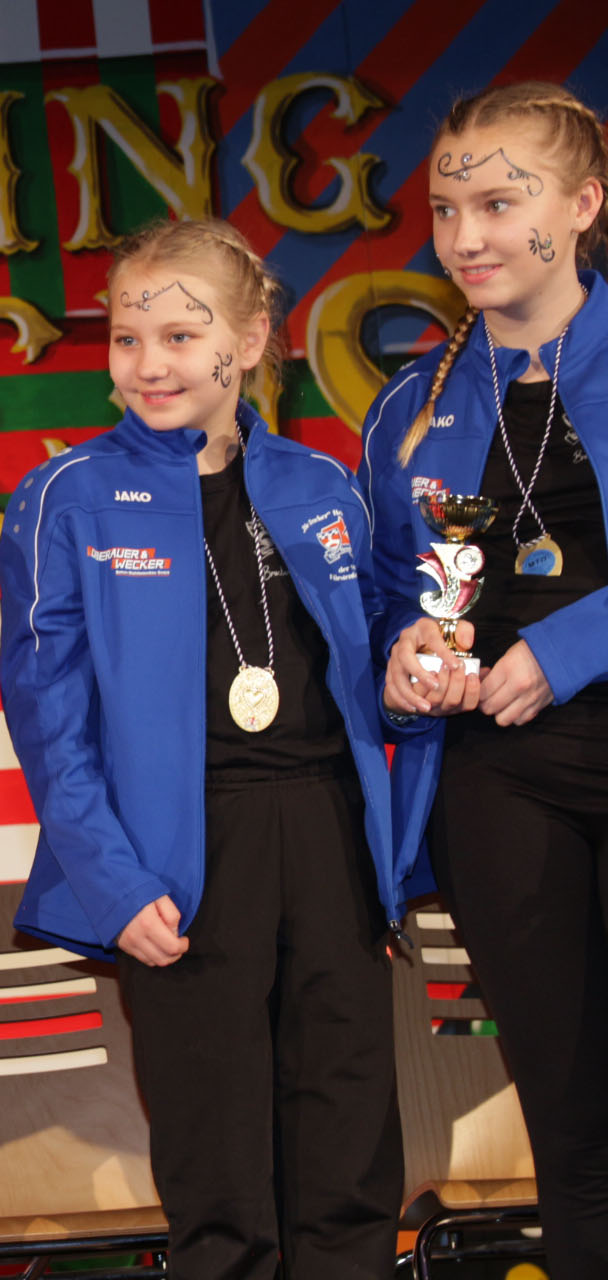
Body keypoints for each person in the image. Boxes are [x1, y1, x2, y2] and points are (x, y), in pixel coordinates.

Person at [0, 218, 428, 1279]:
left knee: (349, 1159)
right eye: (126, 338)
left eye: (180, 337)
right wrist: (113, 883)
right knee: (221, 1175)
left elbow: (376, 676)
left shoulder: (323, 486)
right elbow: (48, 723)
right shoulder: (65, 497)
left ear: (248, 339)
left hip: (327, 840)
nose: (149, 364)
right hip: (175, 865)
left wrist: (415, 674)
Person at [360, 80, 608, 1274]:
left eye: (501, 203)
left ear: (583, 204)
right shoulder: (411, 407)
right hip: (499, 784)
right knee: (570, 1115)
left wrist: (564, 651)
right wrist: (402, 653)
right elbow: (383, 591)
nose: (466, 235)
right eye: (447, 208)